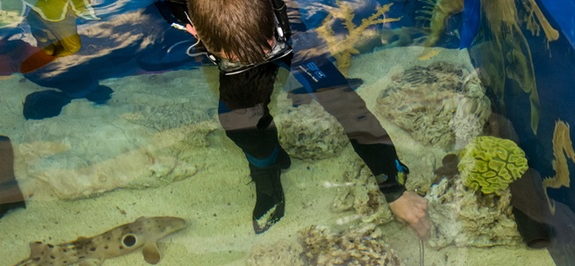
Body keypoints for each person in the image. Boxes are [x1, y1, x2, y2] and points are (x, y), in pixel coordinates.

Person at [159, 0, 430, 237]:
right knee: (236, 122)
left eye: (265, 52)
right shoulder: (176, 8)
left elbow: (351, 111)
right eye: (233, 61)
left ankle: (264, 46)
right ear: (194, 31)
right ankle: (266, 166)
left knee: (335, 95)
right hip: (236, 30)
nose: (253, 63)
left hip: (282, 30)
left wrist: (393, 189)